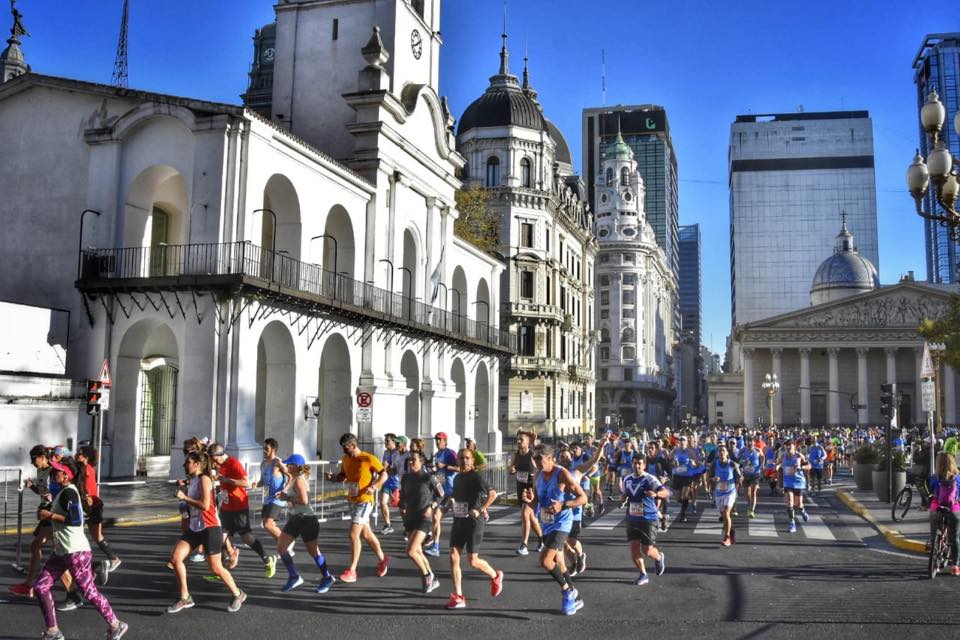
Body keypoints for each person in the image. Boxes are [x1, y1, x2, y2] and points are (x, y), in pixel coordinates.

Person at [33, 457, 128, 640]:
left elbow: (76, 520)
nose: (53, 473)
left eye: (57, 471)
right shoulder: (62, 493)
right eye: (53, 470)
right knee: (40, 588)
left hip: (76, 551)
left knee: (89, 592)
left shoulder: (69, 492)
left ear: (66, 476)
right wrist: (47, 511)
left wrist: (50, 514)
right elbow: (60, 517)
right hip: (61, 551)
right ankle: (53, 631)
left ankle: (116, 625)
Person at [167, 450, 246, 614]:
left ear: (197, 464)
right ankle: (185, 597)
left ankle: (238, 593)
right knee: (175, 558)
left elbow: (204, 505)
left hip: (210, 528)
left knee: (216, 568)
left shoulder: (204, 479)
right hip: (195, 528)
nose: (184, 465)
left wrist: (184, 497)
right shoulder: (194, 480)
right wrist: (184, 491)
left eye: (187, 463)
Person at [523, 446, 587, 616]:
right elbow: (537, 500)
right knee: (560, 563)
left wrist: (563, 504)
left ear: (551, 458)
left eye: (540, 458)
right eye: (534, 458)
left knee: (545, 560)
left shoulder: (562, 474)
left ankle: (567, 592)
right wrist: (530, 500)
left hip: (562, 523)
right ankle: (576, 596)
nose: (536, 461)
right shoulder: (537, 475)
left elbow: (583, 498)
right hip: (546, 523)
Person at [326, 433, 391, 582]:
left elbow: (384, 475)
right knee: (366, 534)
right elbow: (343, 475)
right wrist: (334, 478)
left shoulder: (368, 458)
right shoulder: (346, 459)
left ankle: (352, 571)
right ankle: (383, 559)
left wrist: (374, 487)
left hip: (365, 501)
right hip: (352, 499)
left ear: (353, 445)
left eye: (345, 447)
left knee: (353, 535)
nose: (343, 450)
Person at [445, 448, 503, 609]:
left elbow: (493, 494)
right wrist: (448, 505)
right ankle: (458, 597)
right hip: (459, 521)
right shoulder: (457, 478)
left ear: (472, 461)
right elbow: (456, 496)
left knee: (473, 561)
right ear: (457, 461)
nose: (464, 461)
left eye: (467, 458)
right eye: (461, 458)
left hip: (473, 522)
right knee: (453, 556)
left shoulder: (477, 477)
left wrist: (481, 508)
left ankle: (495, 575)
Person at [208, 444, 275, 577]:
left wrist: (226, 480)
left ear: (220, 454)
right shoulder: (221, 465)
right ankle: (220, 572)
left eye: (215, 459)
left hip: (239, 508)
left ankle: (267, 558)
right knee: (219, 539)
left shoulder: (234, 463)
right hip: (226, 507)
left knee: (247, 538)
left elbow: (245, 482)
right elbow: (224, 484)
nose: (214, 463)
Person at [275, 454, 336, 594]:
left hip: (307, 519)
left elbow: (304, 501)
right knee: (281, 547)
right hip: (296, 518)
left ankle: (327, 577)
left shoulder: (299, 481)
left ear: (296, 467)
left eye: (289, 464)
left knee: (313, 552)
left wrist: (287, 497)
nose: (287, 466)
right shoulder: (293, 478)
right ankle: (294, 576)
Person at [9, 445, 55, 598]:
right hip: (46, 513)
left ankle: (75, 590)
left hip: (54, 513)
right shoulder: (40, 470)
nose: (31, 462)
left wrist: (52, 499)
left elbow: (64, 490)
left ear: (42, 457)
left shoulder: (53, 471)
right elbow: (43, 493)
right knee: (38, 547)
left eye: (33, 458)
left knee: (61, 554)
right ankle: (29, 585)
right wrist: (32, 487)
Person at [400, 451, 445, 593]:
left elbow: (441, 495)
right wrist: (402, 505)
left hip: (423, 518)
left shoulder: (428, 477)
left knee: (411, 551)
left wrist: (431, 507)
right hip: (410, 519)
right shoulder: (405, 477)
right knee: (418, 551)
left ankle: (427, 576)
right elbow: (403, 496)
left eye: (414, 460)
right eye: (410, 460)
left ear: (421, 462)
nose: (411, 463)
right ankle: (432, 578)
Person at [623, 455, 668, 586]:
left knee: (647, 550)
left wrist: (656, 494)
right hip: (632, 518)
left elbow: (665, 492)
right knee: (634, 550)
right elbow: (626, 495)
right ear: (632, 464)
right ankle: (643, 574)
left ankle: (659, 557)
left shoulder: (650, 479)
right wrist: (623, 498)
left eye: (640, 464)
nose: (637, 466)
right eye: (635, 463)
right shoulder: (627, 479)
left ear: (644, 465)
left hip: (648, 518)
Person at [251, 437, 289, 573]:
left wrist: (285, 490)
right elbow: (262, 480)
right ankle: (283, 544)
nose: (264, 451)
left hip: (277, 498)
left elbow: (290, 476)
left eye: (266, 449)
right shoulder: (263, 463)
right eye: (263, 449)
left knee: (268, 523)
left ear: (273, 449)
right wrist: (257, 483)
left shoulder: (278, 462)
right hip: (268, 497)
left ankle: (287, 544)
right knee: (268, 525)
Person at [510, 431, 543, 555]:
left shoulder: (532, 454)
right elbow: (511, 469)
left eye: (521, 440)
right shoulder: (515, 454)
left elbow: (539, 452)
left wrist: (535, 441)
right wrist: (512, 469)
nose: (518, 442)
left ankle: (524, 545)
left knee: (525, 514)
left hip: (532, 488)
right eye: (517, 440)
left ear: (528, 442)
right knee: (530, 517)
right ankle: (542, 538)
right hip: (520, 488)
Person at [428, 432, 459, 558]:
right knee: (436, 516)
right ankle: (435, 546)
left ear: (445, 441)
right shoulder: (436, 455)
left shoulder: (450, 453)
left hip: (452, 491)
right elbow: (439, 474)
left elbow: (459, 468)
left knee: (461, 520)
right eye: (436, 439)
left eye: (440, 439)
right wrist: (434, 472)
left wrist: (445, 466)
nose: (437, 442)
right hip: (442, 491)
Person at [929, 451, 960, 576]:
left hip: (936, 509)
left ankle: (935, 548)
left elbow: (929, 492)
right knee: (955, 538)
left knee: (934, 533)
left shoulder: (934, 477)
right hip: (953, 510)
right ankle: (955, 566)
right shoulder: (958, 478)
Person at [711, 445, 741, 546]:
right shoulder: (714, 464)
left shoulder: (732, 464)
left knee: (726, 512)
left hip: (730, 492)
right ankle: (731, 531)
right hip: (719, 493)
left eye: (723, 451)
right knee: (724, 515)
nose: (721, 452)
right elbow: (709, 477)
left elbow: (739, 476)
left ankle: (727, 537)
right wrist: (713, 479)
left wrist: (740, 478)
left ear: (727, 453)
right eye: (719, 451)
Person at [778, 440, 811, 534]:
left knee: (798, 504)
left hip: (798, 482)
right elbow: (777, 464)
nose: (788, 447)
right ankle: (792, 524)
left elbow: (809, 466)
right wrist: (775, 466)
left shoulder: (799, 456)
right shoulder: (782, 456)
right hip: (787, 483)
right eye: (786, 446)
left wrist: (801, 467)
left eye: (790, 445)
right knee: (790, 503)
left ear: (794, 446)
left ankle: (802, 510)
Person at [379, 434, 400, 535]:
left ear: (393, 442)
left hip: (397, 483)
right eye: (385, 440)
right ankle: (388, 524)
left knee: (402, 508)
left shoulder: (397, 453)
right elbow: (384, 466)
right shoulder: (386, 452)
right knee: (383, 502)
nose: (385, 443)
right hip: (387, 482)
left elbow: (396, 469)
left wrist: (387, 467)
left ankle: (409, 527)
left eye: (387, 441)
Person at [738, 438, 762, 518]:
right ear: (746, 444)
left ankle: (752, 510)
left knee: (753, 492)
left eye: (751, 443)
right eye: (748, 444)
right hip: (746, 474)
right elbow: (738, 460)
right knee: (747, 493)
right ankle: (749, 505)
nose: (750, 445)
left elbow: (763, 456)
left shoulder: (758, 450)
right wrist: (743, 461)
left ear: (754, 443)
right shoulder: (742, 451)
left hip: (755, 473)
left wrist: (762, 465)